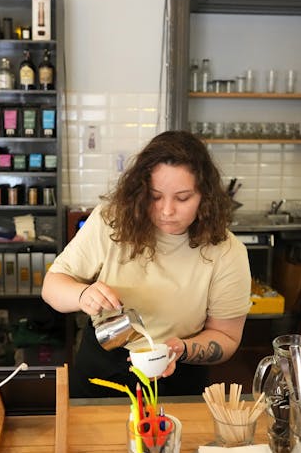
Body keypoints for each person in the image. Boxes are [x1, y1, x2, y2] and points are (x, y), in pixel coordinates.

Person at [42, 130, 251, 397]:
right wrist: (82, 295)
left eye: (183, 198)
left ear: (205, 197)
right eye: (155, 196)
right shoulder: (111, 221)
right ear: (140, 191)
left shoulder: (226, 251)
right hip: (103, 366)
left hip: (178, 375)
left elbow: (227, 337)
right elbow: (52, 286)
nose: (167, 210)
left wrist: (182, 349)